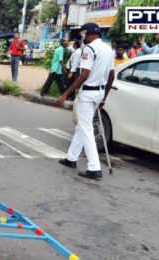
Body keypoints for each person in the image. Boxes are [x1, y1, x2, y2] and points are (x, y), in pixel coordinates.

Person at [56, 23, 115, 180]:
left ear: (90, 34)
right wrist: (105, 96)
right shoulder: (108, 49)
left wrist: (66, 94)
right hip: (99, 92)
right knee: (82, 127)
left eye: (84, 35)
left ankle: (94, 168)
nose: (83, 38)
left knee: (86, 129)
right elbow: (111, 75)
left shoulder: (89, 49)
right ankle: (71, 158)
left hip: (88, 93)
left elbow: (84, 75)